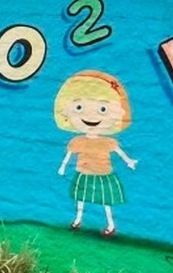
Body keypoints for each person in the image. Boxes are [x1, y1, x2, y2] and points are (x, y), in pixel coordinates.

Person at [55, 70, 137, 237]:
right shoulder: (77, 141)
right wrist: (63, 167)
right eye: (79, 107)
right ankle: (77, 220)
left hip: (103, 174)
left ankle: (110, 224)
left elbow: (119, 153)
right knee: (81, 199)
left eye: (102, 109)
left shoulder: (109, 142)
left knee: (106, 201)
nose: (90, 116)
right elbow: (69, 156)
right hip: (83, 173)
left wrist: (129, 161)